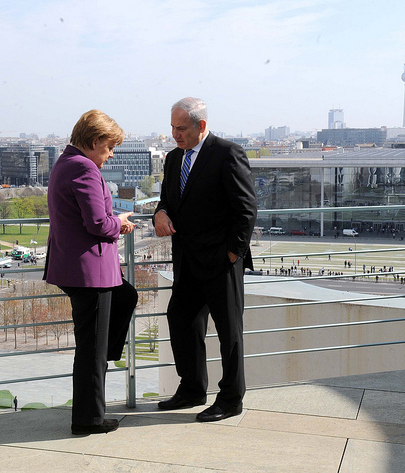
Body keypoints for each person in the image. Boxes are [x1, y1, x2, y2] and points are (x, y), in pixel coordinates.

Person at [154, 97, 257, 422]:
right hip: (187, 262)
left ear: (201, 125)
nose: (174, 134)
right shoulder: (173, 159)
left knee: (229, 333)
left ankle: (230, 399)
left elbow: (246, 209)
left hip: (221, 262)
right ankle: (193, 388)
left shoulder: (227, 153)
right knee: (180, 319)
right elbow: (167, 200)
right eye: (172, 127)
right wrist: (159, 213)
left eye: (181, 128)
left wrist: (232, 254)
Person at [43, 110, 138, 435]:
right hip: (90, 271)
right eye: (110, 147)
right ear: (95, 141)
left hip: (76, 267)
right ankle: (89, 419)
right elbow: (98, 223)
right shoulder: (84, 168)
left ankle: (105, 359)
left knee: (124, 297)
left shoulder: (65, 163)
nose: (111, 154)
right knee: (90, 351)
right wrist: (120, 224)